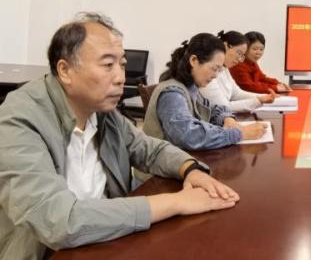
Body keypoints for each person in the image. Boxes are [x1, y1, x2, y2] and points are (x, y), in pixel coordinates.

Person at [0, 13, 239, 260]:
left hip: (106, 241)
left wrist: (190, 169)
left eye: (122, 64)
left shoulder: (103, 112)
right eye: (107, 65)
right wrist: (177, 202)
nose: (120, 78)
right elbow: (59, 222)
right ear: (65, 70)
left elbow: (150, 149)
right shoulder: (19, 119)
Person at [142, 33, 266, 151]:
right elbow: (189, 136)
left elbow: (211, 109)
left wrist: (226, 118)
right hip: (161, 165)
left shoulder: (190, 86)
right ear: (194, 60)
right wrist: (239, 134)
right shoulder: (172, 94)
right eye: (214, 68)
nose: (215, 76)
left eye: (219, 70)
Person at [201, 30, 275, 112]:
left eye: (242, 56)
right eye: (239, 53)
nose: (240, 60)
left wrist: (263, 97)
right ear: (225, 46)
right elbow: (223, 107)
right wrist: (258, 100)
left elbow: (236, 93)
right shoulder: (208, 71)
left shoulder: (224, 68)